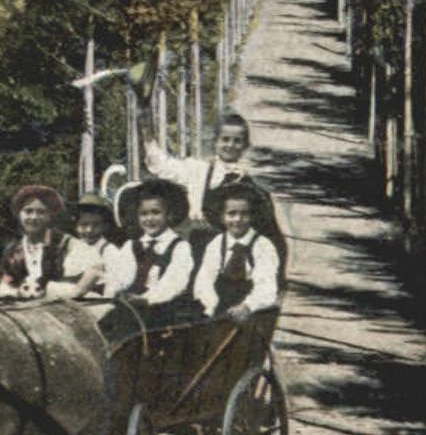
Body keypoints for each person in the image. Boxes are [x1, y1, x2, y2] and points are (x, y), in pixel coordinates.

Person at [141, 105, 288, 279]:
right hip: (195, 246)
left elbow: (272, 236)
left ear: (245, 145)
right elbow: (162, 165)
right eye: (225, 139)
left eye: (237, 141)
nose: (230, 145)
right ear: (215, 142)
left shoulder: (252, 187)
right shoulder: (198, 170)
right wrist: (146, 132)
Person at [0, 184, 101, 302]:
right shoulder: (14, 250)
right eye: (28, 211)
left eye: (41, 212)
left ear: (50, 215)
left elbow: (95, 269)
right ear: (19, 214)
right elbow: (5, 286)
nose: (34, 217)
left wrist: (75, 292)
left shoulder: (65, 243)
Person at [104, 178, 197, 311]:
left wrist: (146, 299)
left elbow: (174, 283)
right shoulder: (131, 246)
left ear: (169, 214)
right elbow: (119, 277)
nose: (149, 219)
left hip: (161, 308)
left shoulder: (180, 247)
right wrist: (113, 294)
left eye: (156, 212)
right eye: (144, 214)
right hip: (129, 307)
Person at [194, 189, 281, 323]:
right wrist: (212, 307)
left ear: (252, 216)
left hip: (253, 311)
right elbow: (204, 280)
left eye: (244, 214)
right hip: (220, 309)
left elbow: (266, 285)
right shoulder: (216, 244)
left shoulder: (263, 245)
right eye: (231, 214)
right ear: (222, 217)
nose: (238, 219)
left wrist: (247, 306)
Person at [74, 191, 119, 278]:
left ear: (105, 226)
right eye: (84, 225)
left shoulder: (109, 251)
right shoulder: (73, 249)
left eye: (96, 225)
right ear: (76, 226)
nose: (89, 230)